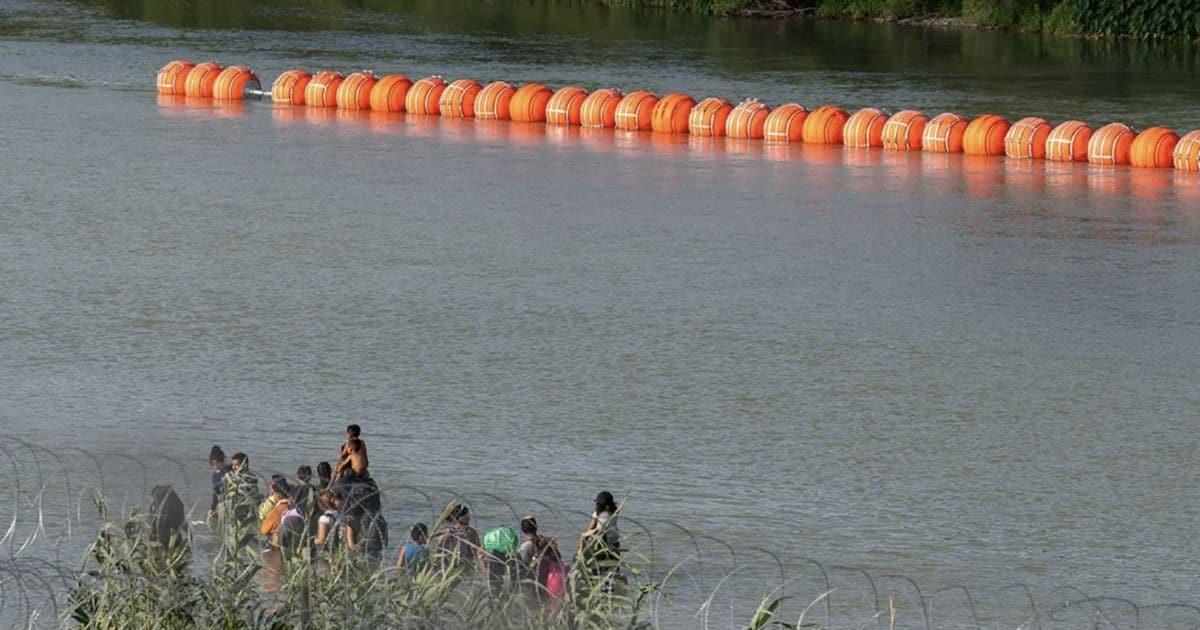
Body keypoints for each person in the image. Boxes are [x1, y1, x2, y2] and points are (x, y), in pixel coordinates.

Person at [516, 515, 565, 606]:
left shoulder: (525, 548)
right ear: (536, 527)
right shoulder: (544, 543)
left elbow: (521, 570)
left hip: (533, 588)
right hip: (549, 584)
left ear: (522, 530)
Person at [576, 491, 621, 576]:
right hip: (614, 541)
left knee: (582, 536)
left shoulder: (597, 513)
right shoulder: (615, 512)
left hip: (601, 541)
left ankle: (581, 555)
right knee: (612, 565)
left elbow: (591, 528)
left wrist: (584, 539)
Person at [431, 503, 483, 573]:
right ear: (464, 517)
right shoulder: (470, 532)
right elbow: (478, 550)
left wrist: (435, 563)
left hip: (447, 565)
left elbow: (438, 550)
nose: (469, 518)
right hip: (464, 566)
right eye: (468, 515)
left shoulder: (445, 531)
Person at [482, 525, 519, 592]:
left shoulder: (492, 558)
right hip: (510, 591)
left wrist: (481, 561)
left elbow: (489, 577)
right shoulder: (511, 559)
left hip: (496, 591)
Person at [259, 475, 293, 541]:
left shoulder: (277, 510)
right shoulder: (291, 505)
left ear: (277, 494)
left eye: (273, 492)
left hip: (276, 541)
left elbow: (263, 530)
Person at [207, 446, 231, 523]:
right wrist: (212, 508)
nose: (215, 466)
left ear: (222, 461)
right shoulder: (215, 476)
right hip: (225, 504)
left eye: (217, 463)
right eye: (213, 464)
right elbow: (216, 493)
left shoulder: (231, 470)